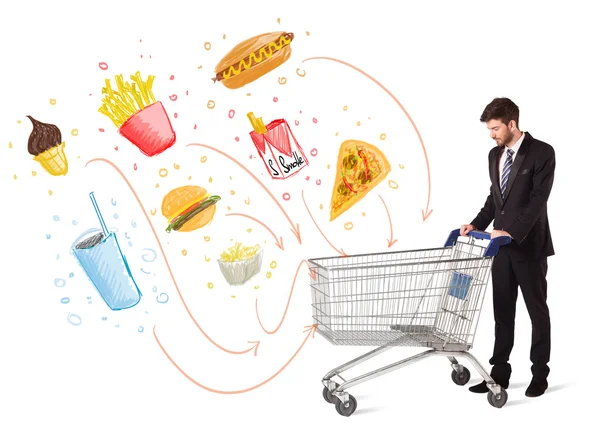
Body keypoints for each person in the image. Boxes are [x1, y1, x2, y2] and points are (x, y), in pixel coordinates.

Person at [460, 97, 555, 398]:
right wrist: (476, 224)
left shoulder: (542, 152)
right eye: (489, 129)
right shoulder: (494, 155)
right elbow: (495, 198)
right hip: (498, 248)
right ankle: (499, 372)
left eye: (496, 128)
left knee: (536, 312)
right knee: (502, 312)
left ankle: (539, 373)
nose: (492, 134)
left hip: (529, 246)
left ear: (511, 124)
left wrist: (511, 231)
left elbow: (538, 201)